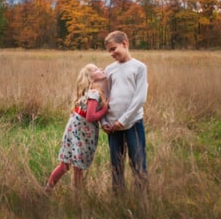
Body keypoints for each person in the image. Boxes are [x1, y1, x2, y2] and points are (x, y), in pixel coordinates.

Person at [44, 63, 109, 191]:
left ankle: (48, 189)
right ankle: (76, 195)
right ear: (91, 78)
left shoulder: (91, 92)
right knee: (75, 167)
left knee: (65, 165)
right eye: (96, 69)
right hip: (81, 133)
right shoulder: (94, 93)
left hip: (75, 130)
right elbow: (90, 116)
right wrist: (105, 110)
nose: (100, 69)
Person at [101, 30, 148, 192]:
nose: (112, 53)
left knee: (138, 162)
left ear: (125, 44)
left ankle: (142, 199)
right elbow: (104, 96)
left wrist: (122, 121)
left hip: (133, 123)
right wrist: (104, 121)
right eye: (109, 51)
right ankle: (118, 198)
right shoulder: (110, 69)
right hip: (112, 126)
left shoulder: (139, 67)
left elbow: (140, 98)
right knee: (116, 164)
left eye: (114, 49)